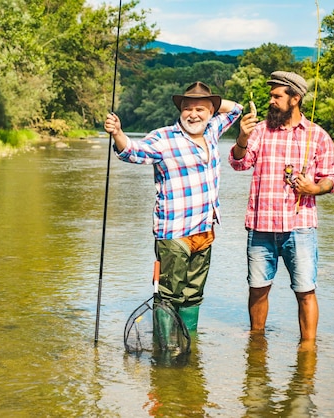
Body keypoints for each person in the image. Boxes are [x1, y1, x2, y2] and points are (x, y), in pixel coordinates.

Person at [104, 81, 242, 332]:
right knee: (169, 295)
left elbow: (236, 110)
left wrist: (214, 103)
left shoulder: (212, 130)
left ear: (212, 112)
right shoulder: (163, 137)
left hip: (204, 230)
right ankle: (165, 353)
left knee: (193, 295)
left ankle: (188, 348)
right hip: (174, 233)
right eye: (187, 108)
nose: (193, 114)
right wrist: (118, 134)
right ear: (180, 111)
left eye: (201, 109)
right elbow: (133, 152)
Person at [229, 71, 334, 343]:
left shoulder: (319, 136)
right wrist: (242, 138)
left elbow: (330, 179)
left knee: (305, 291)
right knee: (257, 289)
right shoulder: (260, 131)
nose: (272, 101)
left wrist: (313, 188)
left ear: (295, 99)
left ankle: (308, 348)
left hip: (299, 228)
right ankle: (256, 343)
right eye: (271, 96)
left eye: (277, 96)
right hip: (260, 226)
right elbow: (239, 163)